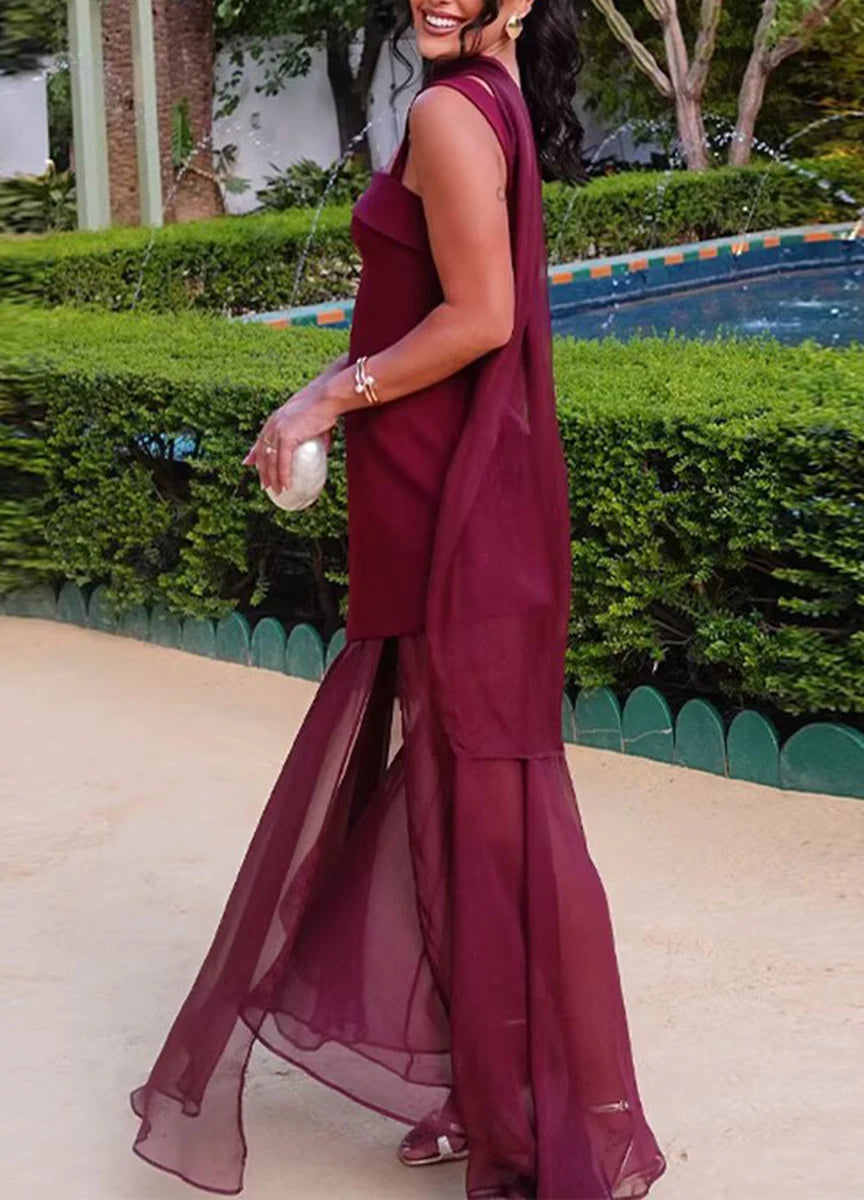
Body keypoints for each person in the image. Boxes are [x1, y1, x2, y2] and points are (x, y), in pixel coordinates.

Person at [130, 2, 668, 1197]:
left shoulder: (446, 109)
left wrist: (332, 400)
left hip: (452, 505)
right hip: (453, 489)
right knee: (457, 784)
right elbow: (425, 310)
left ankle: (532, 1117)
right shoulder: (490, 101)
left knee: (483, 799)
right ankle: (491, 1086)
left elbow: (484, 318)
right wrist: (318, 389)